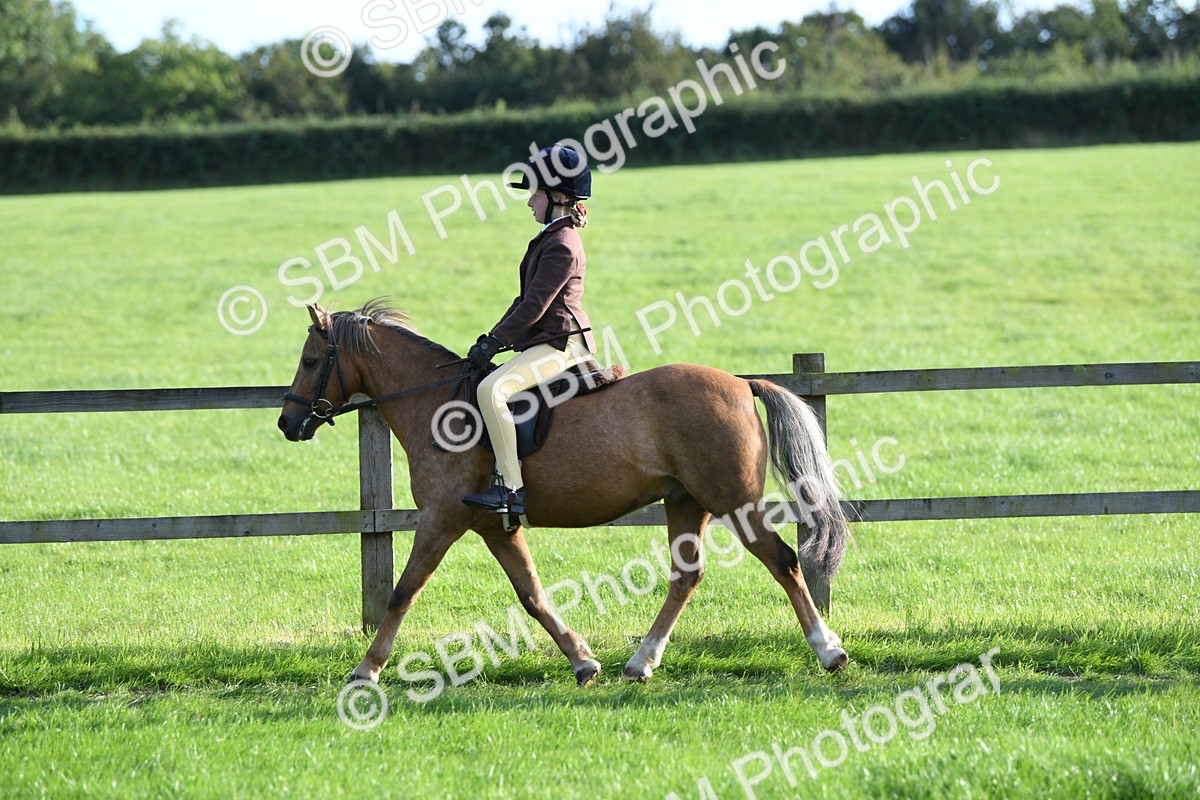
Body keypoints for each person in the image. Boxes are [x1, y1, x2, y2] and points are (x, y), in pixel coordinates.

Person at [461, 144, 598, 517]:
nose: (529, 203)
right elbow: (523, 299)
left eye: (534, 194)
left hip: (561, 345)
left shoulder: (562, 245)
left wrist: (495, 343)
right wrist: (490, 338)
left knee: (493, 390)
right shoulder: (553, 237)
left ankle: (510, 489)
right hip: (550, 340)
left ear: (557, 198)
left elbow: (535, 307)